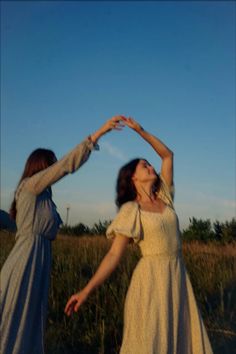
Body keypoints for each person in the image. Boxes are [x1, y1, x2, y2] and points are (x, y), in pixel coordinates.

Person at [65, 117, 213, 354]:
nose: (151, 166)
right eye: (144, 165)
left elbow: (167, 155)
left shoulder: (164, 196)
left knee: (179, 342)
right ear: (132, 177)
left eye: (149, 164)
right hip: (150, 283)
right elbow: (114, 255)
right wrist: (86, 290)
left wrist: (140, 130)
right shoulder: (131, 210)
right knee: (149, 343)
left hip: (177, 278)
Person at [0, 116, 124, 354]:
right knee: (14, 317)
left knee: (29, 322)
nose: (55, 168)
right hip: (26, 261)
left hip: (39, 263)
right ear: (41, 166)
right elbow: (67, 165)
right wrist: (98, 134)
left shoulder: (43, 198)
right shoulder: (31, 186)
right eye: (52, 164)